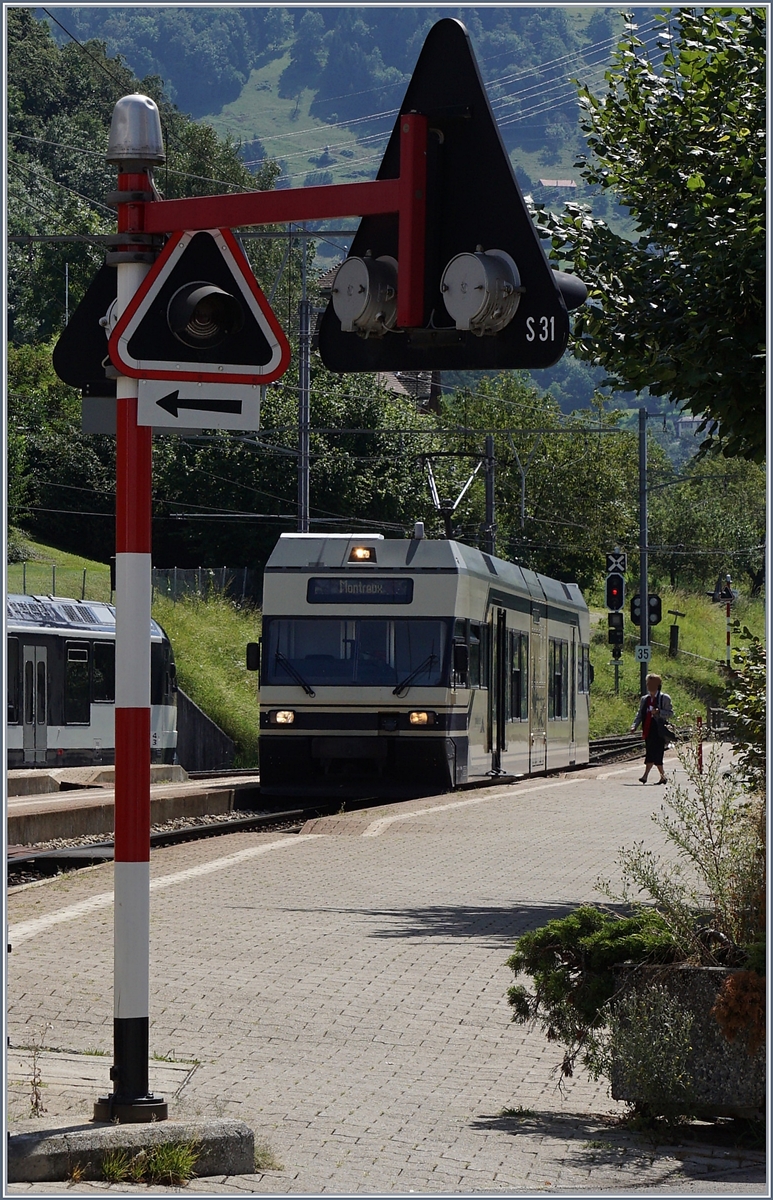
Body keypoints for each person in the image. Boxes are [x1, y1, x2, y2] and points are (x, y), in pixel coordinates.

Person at [630, 673, 674, 784]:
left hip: (659, 730)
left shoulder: (664, 698)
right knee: (650, 752)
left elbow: (670, 713)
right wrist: (634, 725)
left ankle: (647, 776)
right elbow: (640, 714)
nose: (649, 686)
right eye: (648, 683)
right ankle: (661, 777)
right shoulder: (645, 699)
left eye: (652, 684)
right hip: (648, 729)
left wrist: (659, 712)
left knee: (657, 753)